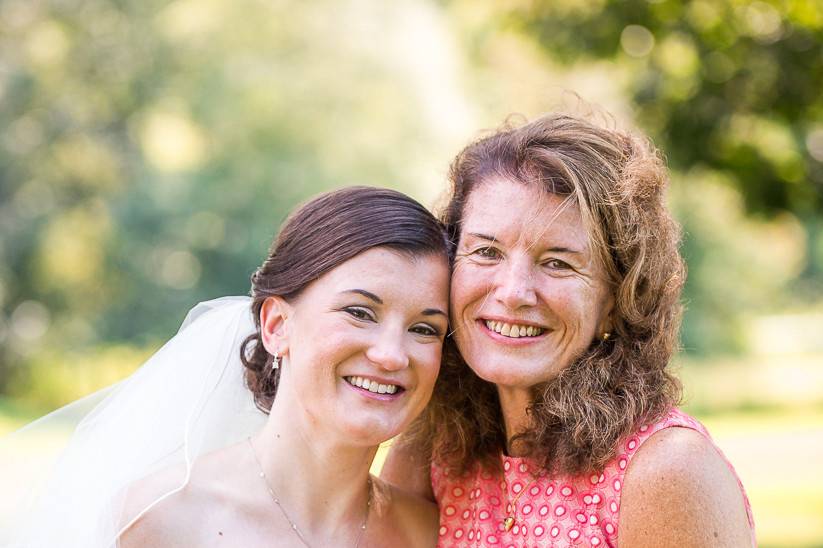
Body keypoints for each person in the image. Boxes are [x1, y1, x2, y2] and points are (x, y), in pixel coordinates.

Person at [382, 113, 756, 547]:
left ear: (616, 301)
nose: (513, 291)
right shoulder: (434, 451)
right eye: (486, 251)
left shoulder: (666, 471)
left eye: (557, 262)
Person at [2, 186, 450, 547]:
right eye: (359, 313)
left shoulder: (428, 533)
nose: (392, 355)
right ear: (276, 326)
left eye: (425, 330)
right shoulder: (156, 521)